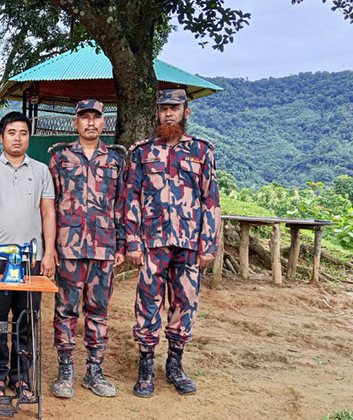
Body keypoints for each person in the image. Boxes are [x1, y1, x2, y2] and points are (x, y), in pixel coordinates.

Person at [123, 88, 221, 398]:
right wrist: (133, 242)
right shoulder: (142, 152)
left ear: (185, 113)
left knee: (185, 303)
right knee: (148, 303)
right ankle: (146, 365)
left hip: (189, 243)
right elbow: (131, 199)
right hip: (153, 242)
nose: (168, 114)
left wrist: (208, 244)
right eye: (164, 108)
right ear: (157, 112)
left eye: (174, 108)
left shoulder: (202, 152)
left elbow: (211, 201)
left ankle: (175, 363)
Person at [0, 111, 57, 399]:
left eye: (23, 132)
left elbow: (48, 212)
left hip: (31, 260)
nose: (17, 138)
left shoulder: (42, 171)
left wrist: (49, 252)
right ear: (1, 137)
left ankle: (21, 377)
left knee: (27, 320)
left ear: (28, 137)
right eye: (12, 132)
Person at [49, 99, 126, 399]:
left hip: (104, 248)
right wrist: (50, 246)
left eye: (96, 117)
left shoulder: (115, 161)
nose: (90, 123)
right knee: (65, 310)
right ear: (75, 123)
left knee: (99, 311)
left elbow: (120, 206)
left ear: (104, 123)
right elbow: (50, 206)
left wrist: (121, 244)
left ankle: (94, 370)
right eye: (85, 118)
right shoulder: (61, 158)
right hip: (68, 247)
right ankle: (65, 368)